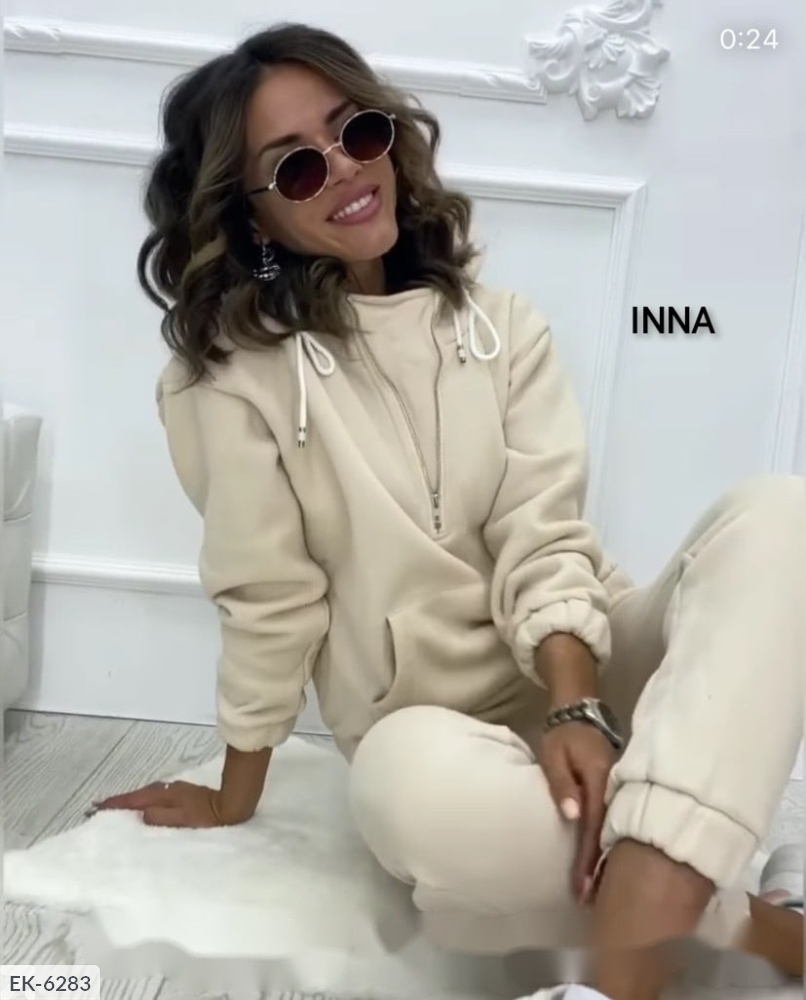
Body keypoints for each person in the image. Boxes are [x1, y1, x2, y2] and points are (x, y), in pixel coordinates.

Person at [95, 21, 805, 1000]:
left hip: (589, 678)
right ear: (251, 218)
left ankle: (627, 953)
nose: (345, 168)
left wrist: (577, 706)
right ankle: (755, 916)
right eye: (296, 167)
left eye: (357, 131)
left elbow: (540, 535)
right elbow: (268, 599)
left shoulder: (502, 327)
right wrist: (233, 796)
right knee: (406, 792)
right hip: (430, 736)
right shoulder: (225, 381)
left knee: (782, 516)